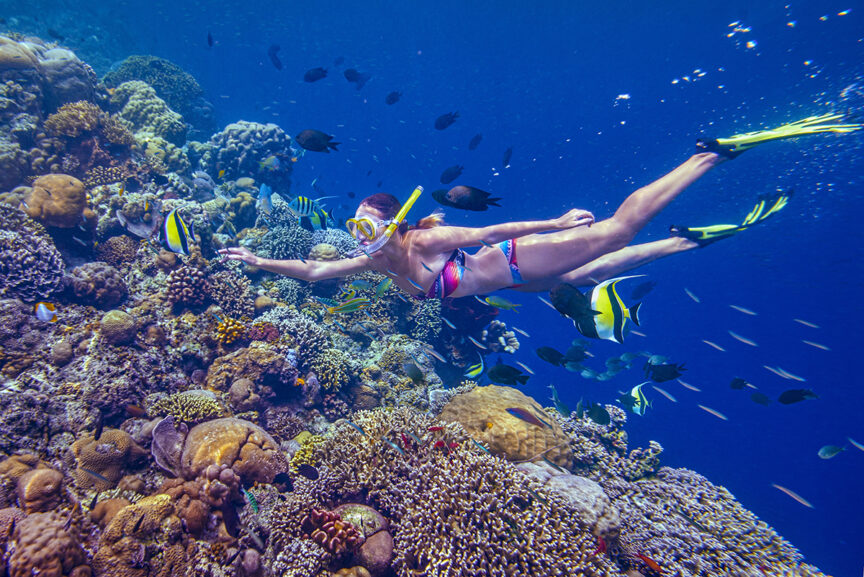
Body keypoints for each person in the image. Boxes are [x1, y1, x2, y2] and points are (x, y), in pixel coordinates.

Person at [219, 113, 860, 297]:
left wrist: (555, 221)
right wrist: (256, 261)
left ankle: (709, 155)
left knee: (616, 228)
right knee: (592, 273)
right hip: (526, 279)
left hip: (521, 258)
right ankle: (690, 239)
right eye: (354, 226)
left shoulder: (421, 244)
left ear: (394, 222)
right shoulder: (380, 265)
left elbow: (494, 227)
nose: (359, 235)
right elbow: (312, 271)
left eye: (368, 224)